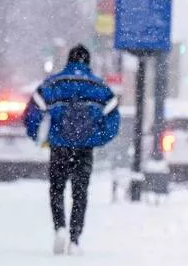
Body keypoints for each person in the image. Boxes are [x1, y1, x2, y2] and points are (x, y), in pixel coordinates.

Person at [24, 45, 121, 254]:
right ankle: (75, 238)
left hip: (59, 145)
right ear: (88, 62)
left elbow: (33, 108)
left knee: (56, 189)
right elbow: (113, 115)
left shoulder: (55, 83)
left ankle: (59, 227)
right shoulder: (98, 86)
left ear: (69, 60)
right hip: (85, 148)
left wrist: (36, 135)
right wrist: (100, 137)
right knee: (80, 192)